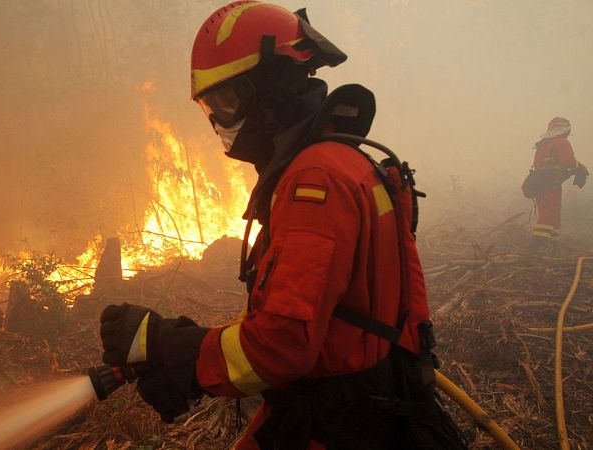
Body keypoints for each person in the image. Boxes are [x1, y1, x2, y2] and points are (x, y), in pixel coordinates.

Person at [99, 2, 466, 448]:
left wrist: (177, 350)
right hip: (348, 404)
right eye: (210, 106)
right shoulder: (340, 161)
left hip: (341, 423)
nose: (219, 121)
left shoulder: (315, 183)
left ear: (271, 86)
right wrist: (184, 344)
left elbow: (282, 346)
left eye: (227, 101)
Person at [526, 117, 588, 255]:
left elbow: (538, 165)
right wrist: (580, 168)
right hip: (550, 184)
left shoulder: (542, 144)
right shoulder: (561, 142)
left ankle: (552, 247)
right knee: (549, 214)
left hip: (540, 183)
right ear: (565, 130)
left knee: (550, 213)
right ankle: (537, 247)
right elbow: (569, 162)